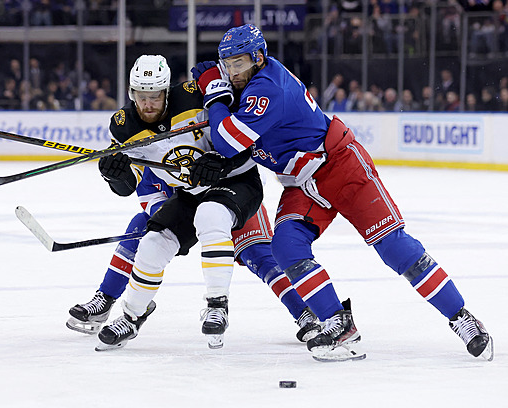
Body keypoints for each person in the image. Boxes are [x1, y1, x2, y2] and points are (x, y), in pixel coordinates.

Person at [192, 24, 493, 362]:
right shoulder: (250, 82)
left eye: (239, 63)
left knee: (394, 247)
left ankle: (463, 319)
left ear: (259, 57)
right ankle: (338, 322)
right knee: (286, 246)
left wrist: (214, 96)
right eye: (227, 64)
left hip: (340, 166)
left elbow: (229, 140)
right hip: (302, 181)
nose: (232, 72)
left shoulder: (267, 88)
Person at [92, 55, 315, 351]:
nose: (148, 104)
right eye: (141, 97)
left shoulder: (193, 97)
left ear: (167, 92)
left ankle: (219, 306)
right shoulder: (124, 126)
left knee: (250, 247)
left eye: (155, 97)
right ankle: (131, 316)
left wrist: (222, 162)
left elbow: (243, 135)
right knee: (153, 243)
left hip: (236, 182)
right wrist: (114, 175)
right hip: (191, 194)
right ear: (132, 93)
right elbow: (128, 186)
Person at [67, 167, 321, 344]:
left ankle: (304, 313)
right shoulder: (148, 148)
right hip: (183, 212)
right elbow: (150, 199)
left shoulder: (198, 127)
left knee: (261, 257)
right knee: (140, 228)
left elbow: (246, 171)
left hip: (231, 203)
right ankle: (106, 300)